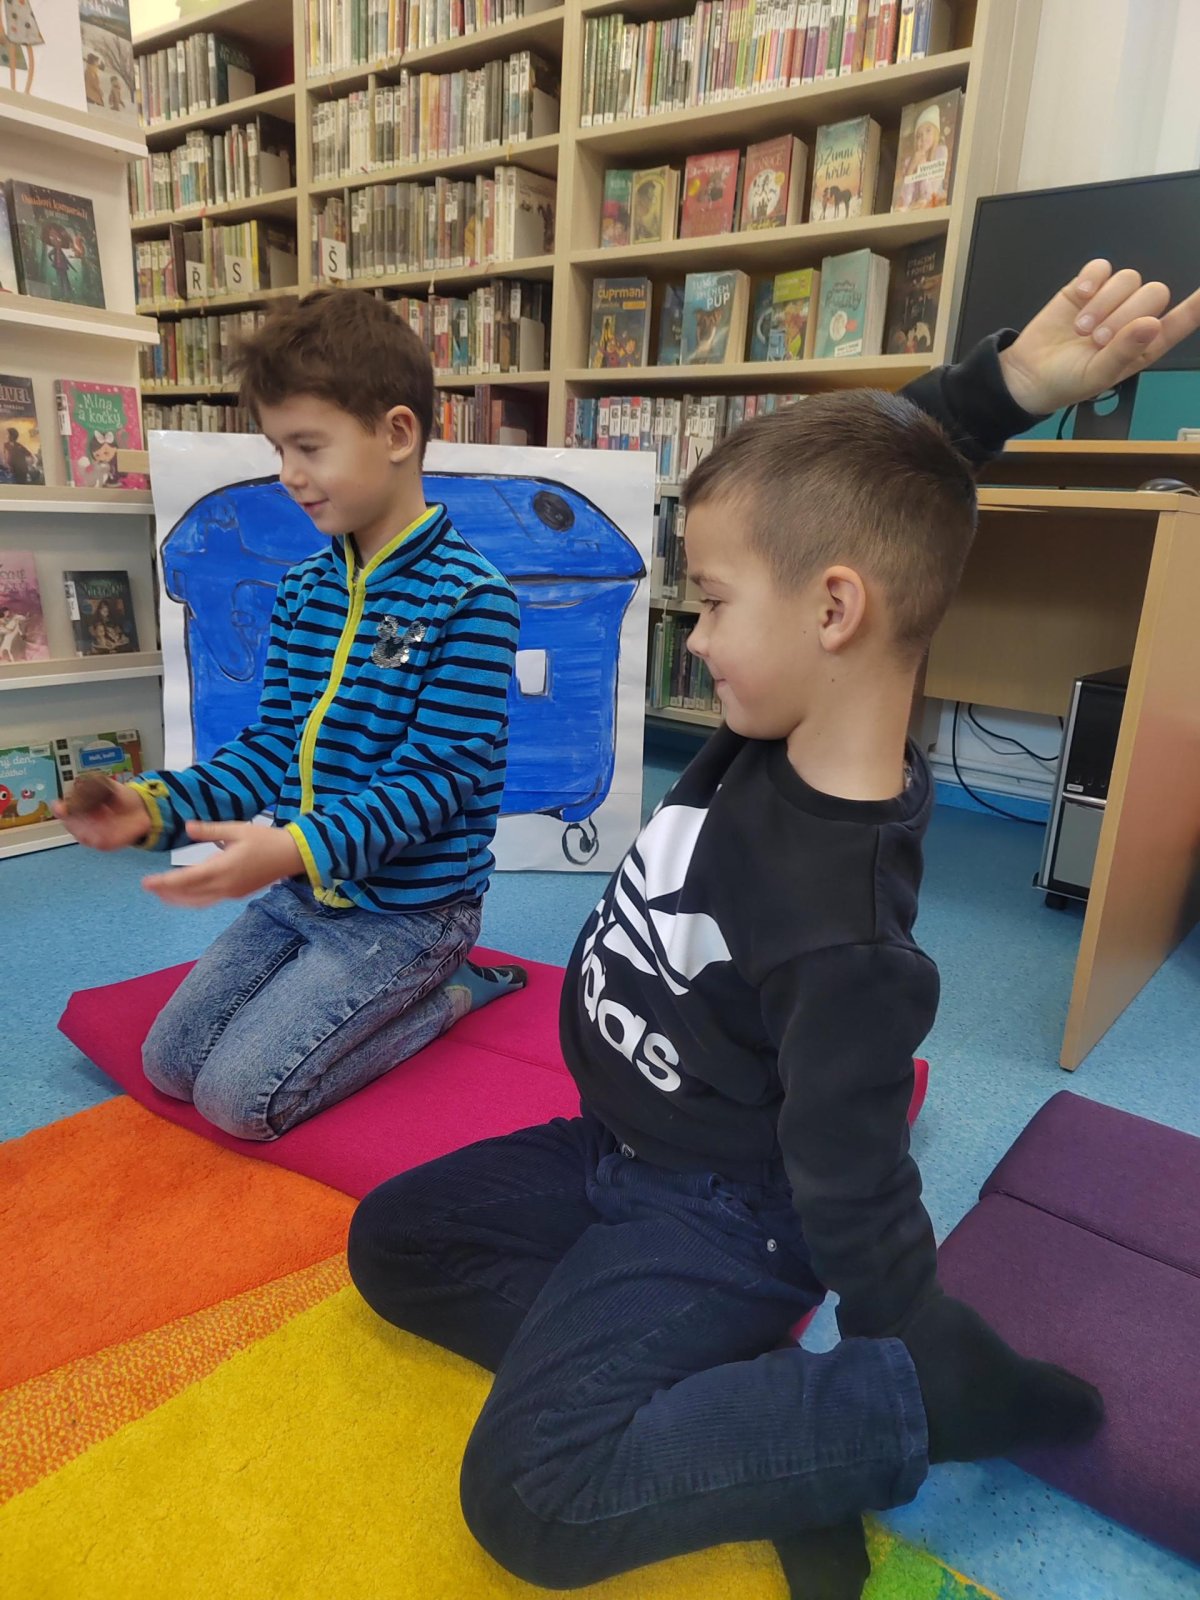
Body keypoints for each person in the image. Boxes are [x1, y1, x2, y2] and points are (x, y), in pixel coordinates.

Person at [346, 262, 1200, 1600]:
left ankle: (853, 1423)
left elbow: (854, 1183)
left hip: (727, 1212)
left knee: (528, 1501)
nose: (695, 641)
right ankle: (733, 1413)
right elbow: (864, 482)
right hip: (618, 1148)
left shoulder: (843, 929)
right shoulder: (776, 720)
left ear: (834, 612)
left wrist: (919, 1347)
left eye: (712, 603)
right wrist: (1005, 389)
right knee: (394, 1243)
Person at [54, 289, 526, 1143]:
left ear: (397, 432)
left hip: (413, 914)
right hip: (304, 891)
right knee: (169, 1063)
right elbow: (271, 746)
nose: (289, 474)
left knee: (242, 1102)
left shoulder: (472, 598)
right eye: (279, 449)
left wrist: (292, 846)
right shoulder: (305, 590)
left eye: (309, 446)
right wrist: (153, 808)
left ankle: (449, 998)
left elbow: (435, 782)